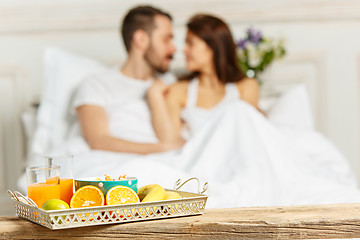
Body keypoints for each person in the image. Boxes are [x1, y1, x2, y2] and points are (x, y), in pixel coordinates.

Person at [73, 5, 183, 154]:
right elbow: (98, 141)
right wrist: (162, 149)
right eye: (166, 40)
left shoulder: (169, 84)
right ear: (141, 39)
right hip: (117, 166)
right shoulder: (96, 84)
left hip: (169, 164)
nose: (174, 49)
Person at [148, 14, 260, 141]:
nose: (184, 50)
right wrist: (154, 94)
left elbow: (248, 135)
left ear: (213, 46)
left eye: (191, 43)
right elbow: (170, 142)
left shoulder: (247, 87)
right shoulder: (179, 91)